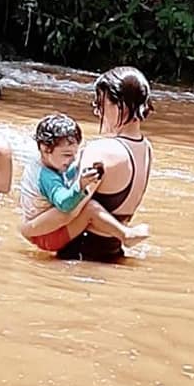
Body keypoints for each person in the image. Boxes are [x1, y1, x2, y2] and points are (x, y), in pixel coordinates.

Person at [21, 66, 153, 260]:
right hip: (113, 252)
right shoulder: (146, 149)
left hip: (80, 254)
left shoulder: (100, 151)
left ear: (120, 106)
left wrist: (27, 229)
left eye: (101, 103)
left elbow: (69, 212)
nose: (97, 111)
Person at [20, 114, 149, 253]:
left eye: (75, 154)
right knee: (89, 208)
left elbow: (65, 174)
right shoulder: (46, 177)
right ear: (45, 149)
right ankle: (125, 235)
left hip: (39, 230)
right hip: (47, 236)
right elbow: (64, 205)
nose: (72, 160)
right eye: (67, 155)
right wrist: (80, 186)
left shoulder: (43, 162)